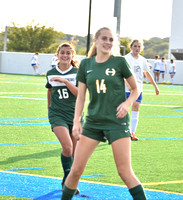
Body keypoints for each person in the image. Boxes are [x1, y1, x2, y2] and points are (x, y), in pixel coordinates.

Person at [61, 27, 147, 200]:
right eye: (104, 39)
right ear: (96, 40)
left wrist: (127, 103)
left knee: (124, 171)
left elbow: (136, 89)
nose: (108, 42)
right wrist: (77, 121)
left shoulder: (119, 62)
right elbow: (81, 96)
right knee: (76, 170)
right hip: (93, 123)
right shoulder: (86, 64)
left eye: (111, 39)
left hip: (117, 122)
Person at [45, 43, 81, 194]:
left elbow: (79, 94)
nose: (65, 55)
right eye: (62, 53)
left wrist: (65, 81)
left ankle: (67, 181)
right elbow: (50, 92)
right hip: (57, 114)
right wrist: (50, 111)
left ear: (72, 56)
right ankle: (68, 182)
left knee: (73, 153)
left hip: (74, 116)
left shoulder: (78, 73)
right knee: (67, 147)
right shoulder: (50, 73)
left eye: (68, 53)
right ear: (57, 55)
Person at [125, 40, 159, 141]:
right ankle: (121, 131)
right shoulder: (125, 59)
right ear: (131, 47)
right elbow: (122, 75)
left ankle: (132, 132)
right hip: (127, 89)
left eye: (139, 47)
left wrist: (155, 86)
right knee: (124, 109)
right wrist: (129, 86)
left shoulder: (143, 60)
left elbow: (147, 74)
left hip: (138, 89)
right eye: (135, 46)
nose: (137, 48)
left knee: (136, 107)